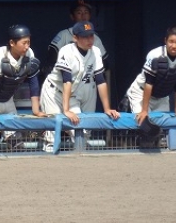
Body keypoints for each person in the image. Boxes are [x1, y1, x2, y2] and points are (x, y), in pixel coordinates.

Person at [40, 21, 120, 151]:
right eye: (85, 36)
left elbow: (100, 80)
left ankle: (78, 161)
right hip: (54, 93)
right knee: (53, 133)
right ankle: (49, 160)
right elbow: (67, 81)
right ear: (75, 38)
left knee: (82, 131)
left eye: (91, 36)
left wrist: (107, 109)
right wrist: (66, 110)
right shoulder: (66, 51)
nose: (89, 39)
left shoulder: (96, 51)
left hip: (71, 95)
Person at [0, 25, 46, 146]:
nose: (27, 46)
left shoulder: (29, 54)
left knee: (16, 142)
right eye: (24, 43)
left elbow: (33, 81)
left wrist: (36, 111)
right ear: (12, 43)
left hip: (8, 100)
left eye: (28, 42)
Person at [125, 26, 176, 143]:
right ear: (165, 41)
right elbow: (149, 83)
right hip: (141, 92)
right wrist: (144, 110)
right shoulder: (155, 54)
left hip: (162, 96)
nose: (174, 45)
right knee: (145, 125)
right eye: (171, 41)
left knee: (160, 131)